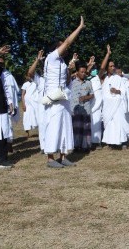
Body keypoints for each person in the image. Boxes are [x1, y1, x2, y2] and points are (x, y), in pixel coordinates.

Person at [42, 16, 85, 168]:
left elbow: (67, 81)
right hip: (54, 99)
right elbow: (67, 41)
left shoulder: (61, 62)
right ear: (55, 49)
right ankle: (50, 158)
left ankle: (63, 156)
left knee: (65, 127)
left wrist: (69, 70)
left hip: (64, 97)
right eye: (62, 47)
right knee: (53, 126)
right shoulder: (52, 57)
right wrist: (79, 27)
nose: (66, 49)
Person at [99, 45, 129, 149]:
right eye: (111, 66)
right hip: (108, 105)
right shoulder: (103, 78)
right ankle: (111, 142)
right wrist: (108, 54)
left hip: (117, 104)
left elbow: (124, 91)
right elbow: (102, 68)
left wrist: (117, 91)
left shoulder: (118, 78)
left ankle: (122, 142)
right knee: (110, 123)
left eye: (114, 66)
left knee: (119, 121)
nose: (113, 68)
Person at [70, 61, 94, 152]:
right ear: (77, 72)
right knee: (76, 128)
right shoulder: (72, 82)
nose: (84, 74)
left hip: (86, 109)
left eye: (85, 72)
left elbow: (92, 95)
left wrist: (85, 97)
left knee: (86, 128)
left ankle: (86, 146)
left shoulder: (88, 83)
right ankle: (76, 146)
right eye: (82, 72)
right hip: (75, 109)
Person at [27, 50, 46, 153]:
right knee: (42, 126)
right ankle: (44, 147)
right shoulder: (40, 79)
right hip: (42, 107)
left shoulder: (56, 78)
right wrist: (37, 60)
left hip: (54, 105)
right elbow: (30, 73)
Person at [89, 62, 103, 149]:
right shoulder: (86, 80)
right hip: (88, 106)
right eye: (92, 68)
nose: (94, 70)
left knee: (97, 124)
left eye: (95, 68)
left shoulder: (97, 78)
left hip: (97, 107)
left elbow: (102, 67)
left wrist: (107, 54)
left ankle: (97, 142)